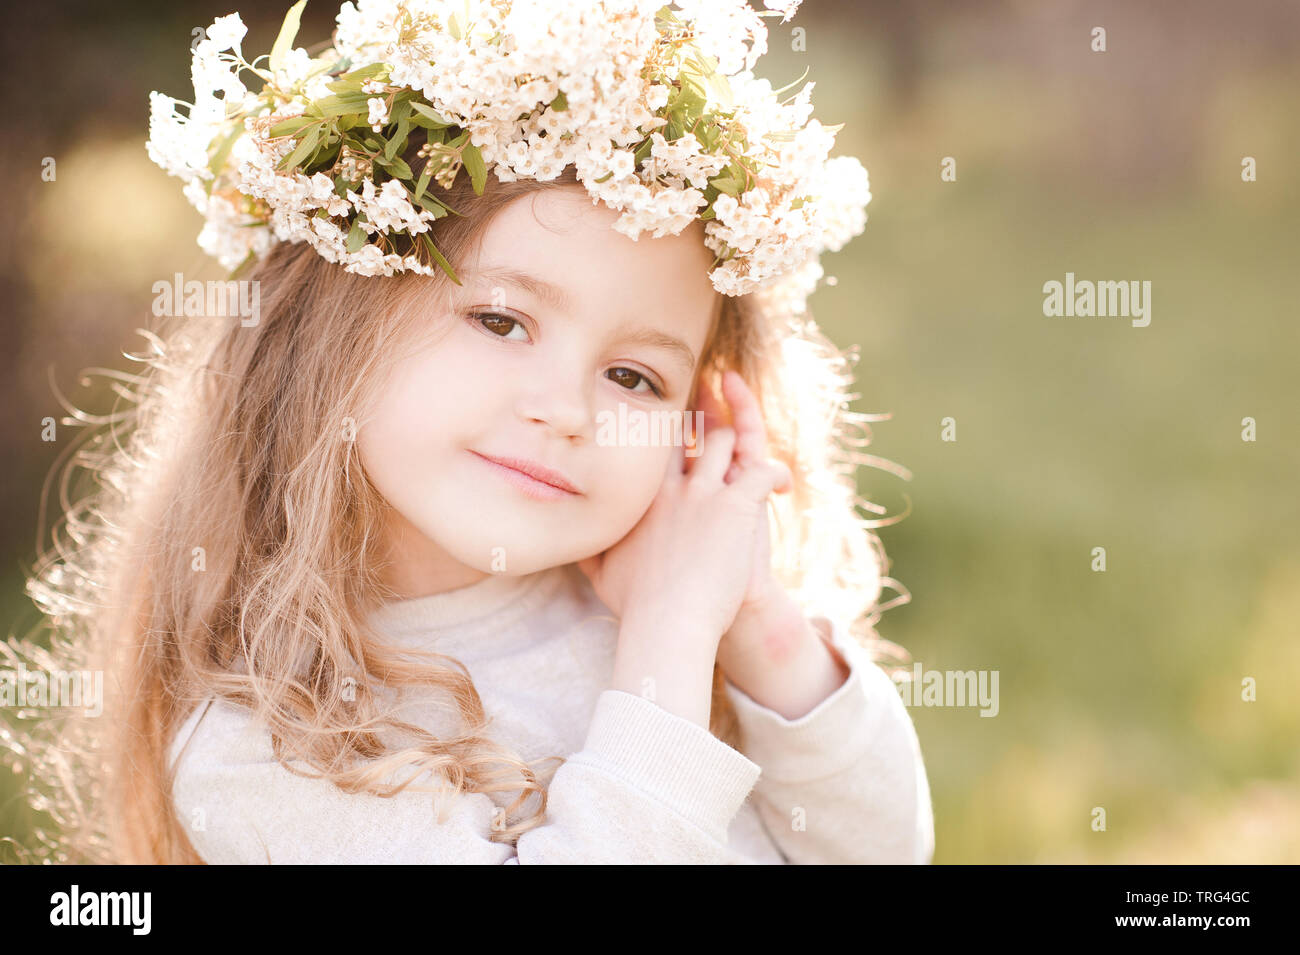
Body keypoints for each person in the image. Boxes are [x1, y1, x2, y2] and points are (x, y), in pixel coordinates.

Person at [8, 0, 933, 864]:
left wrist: (756, 626)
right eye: (501, 321)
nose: (566, 409)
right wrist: (668, 640)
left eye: (632, 376)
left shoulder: (661, 604)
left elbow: (882, 847)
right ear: (331, 324)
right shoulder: (271, 743)